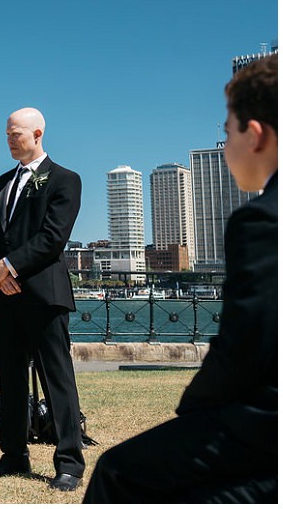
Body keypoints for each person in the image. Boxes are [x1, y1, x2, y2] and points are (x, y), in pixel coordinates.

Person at [84, 55, 277, 503]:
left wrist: (191, 410)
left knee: (119, 472)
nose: (225, 146)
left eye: (227, 132)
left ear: (257, 135)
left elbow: (245, 345)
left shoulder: (263, 221)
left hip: (267, 428)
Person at [0, 107, 85, 492]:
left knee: (57, 379)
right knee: (10, 380)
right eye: (7, 133)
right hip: (4, 297)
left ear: (37, 134)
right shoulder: (0, 183)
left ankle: (69, 461)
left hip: (44, 296)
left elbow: (53, 237)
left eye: (15, 133)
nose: (9, 139)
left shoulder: (65, 180)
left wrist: (9, 266)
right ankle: (13, 455)